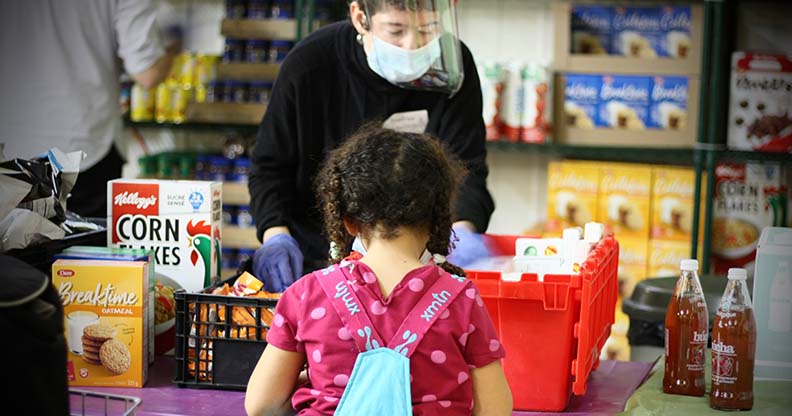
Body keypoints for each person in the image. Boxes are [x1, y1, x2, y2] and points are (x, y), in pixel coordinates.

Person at [245, 125, 512, 416]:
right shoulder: (462, 300)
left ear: (348, 221)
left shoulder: (306, 294)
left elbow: (261, 406)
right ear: (437, 218)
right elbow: (495, 410)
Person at [249, 0, 495, 292]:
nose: (412, 46)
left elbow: (468, 167)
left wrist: (462, 230)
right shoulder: (310, 65)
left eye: (428, 30)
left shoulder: (452, 67)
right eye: (396, 31)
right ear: (360, 17)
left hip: (416, 266)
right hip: (315, 259)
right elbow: (269, 168)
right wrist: (275, 235)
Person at [0, 0, 175, 218]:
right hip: (83, 147)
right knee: (82, 249)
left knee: (11, 248)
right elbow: (147, 72)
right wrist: (177, 42)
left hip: (10, 146)